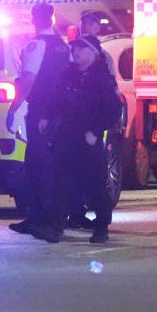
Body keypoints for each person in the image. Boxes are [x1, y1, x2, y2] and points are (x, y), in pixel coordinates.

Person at [6, 3, 71, 242]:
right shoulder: (62, 46)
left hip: (40, 111)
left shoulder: (36, 45)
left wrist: (14, 107)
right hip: (59, 113)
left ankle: (47, 222)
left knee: (39, 167)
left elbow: (29, 80)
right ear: (53, 18)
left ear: (34, 19)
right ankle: (37, 218)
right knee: (44, 166)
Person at [52, 37, 123, 243]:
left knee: (94, 184)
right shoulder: (68, 76)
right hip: (66, 135)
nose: (76, 52)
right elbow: (57, 102)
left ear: (94, 53)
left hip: (88, 138)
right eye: (74, 48)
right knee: (62, 181)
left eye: (82, 48)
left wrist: (95, 130)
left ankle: (101, 227)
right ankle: (56, 225)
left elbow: (112, 109)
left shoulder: (102, 79)